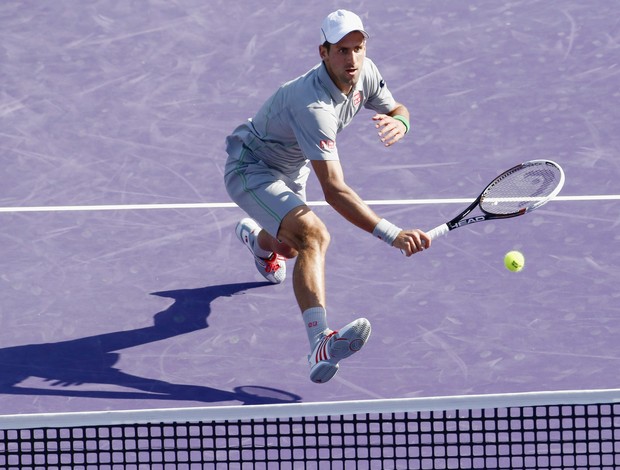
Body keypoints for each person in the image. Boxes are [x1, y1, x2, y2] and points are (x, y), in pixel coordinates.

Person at [224, 10, 431, 384]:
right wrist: (393, 234)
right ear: (323, 52)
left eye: (358, 48)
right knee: (314, 236)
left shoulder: (364, 72)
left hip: (290, 168)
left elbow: (398, 108)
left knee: (289, 249)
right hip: (251, 168)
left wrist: (401, 121)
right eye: (341, 50)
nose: (351, 59)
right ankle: (319, 341)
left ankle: (259, 242)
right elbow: (334, 191)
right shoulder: (313, 106)